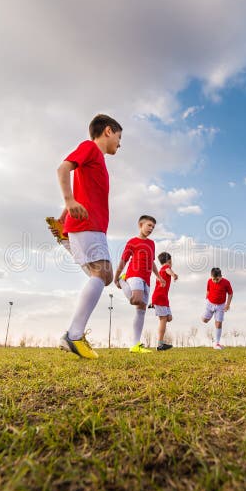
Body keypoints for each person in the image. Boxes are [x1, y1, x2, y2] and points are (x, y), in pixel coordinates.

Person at [55, 114, 122, 359]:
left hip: (89, 226)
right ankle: (73, 335)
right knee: (102, 273)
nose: (119, 143)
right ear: (107, 131)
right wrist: (69, 201)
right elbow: (63, 168)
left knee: (104, 275)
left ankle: (73, 334)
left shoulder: (98, 160)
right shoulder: (90, 148)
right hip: (88, 225)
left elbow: (84, 188)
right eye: (118, 136)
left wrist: (66, 213)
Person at [113, 215, 165, 354]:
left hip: (146, 279)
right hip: (133, 274)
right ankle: (124, 281)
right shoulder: (132, 242)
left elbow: (152, 262)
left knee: (141, 309)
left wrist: (159, 276)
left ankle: (135, 345)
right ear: (140, 225)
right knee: (136, 299)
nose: (151, 229)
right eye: (149, 225)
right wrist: (117, 276)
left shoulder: (152, 244)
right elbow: (123, 260)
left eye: (153, 227)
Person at [150, 252, 178, 351]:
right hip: (160, 298)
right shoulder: (165, 268)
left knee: (169, 318)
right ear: (169, 260)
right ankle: (160, 344)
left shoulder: (161, 270)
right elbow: (168, 270)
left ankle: (160, 343)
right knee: (163, 319)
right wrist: (174, 275)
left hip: (164, 298)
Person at [202, 267, 233, 350]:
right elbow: (208, 290)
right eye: (214, 279)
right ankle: (209, 315)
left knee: (218, 323)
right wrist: (206, 296)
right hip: (210, 303)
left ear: (221, 276)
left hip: (220, 306)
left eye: (217, 279)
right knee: (204, 320)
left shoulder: (226, 283)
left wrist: (227, 304)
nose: (215, 281)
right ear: (211, 276)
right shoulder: (209, 281)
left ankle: (217, 343)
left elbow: (230, 294)